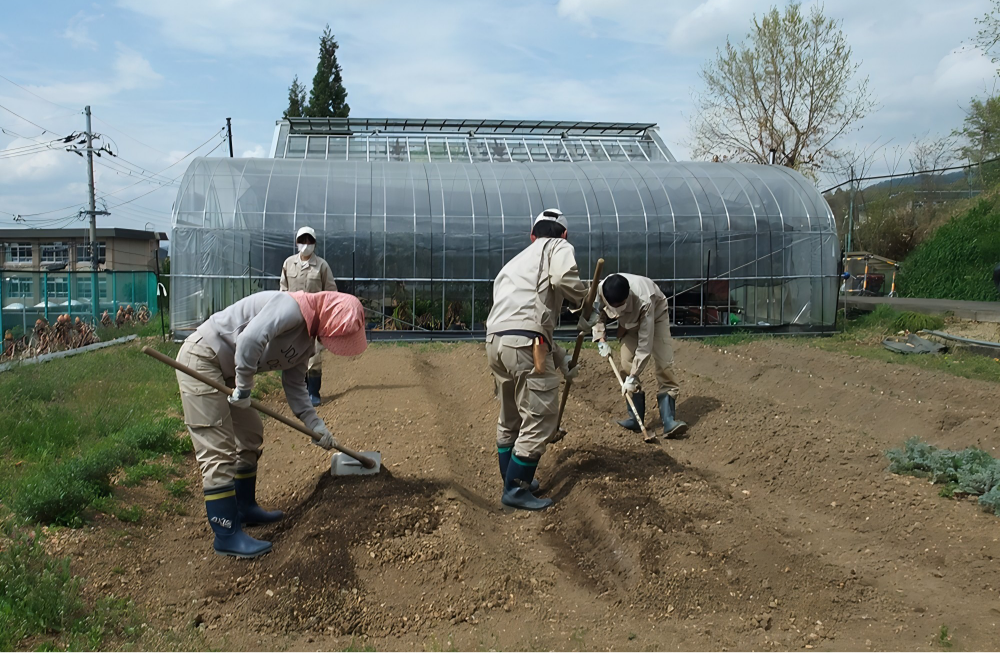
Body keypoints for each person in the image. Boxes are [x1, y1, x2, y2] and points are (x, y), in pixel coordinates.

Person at [175, 290, 367, 558]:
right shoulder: (291, 308)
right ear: (330, 319)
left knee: (251, 433)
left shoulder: (307, 339)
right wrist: (244, 387)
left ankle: (244, 507)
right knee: (218, 448)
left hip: (228, 371)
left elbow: (296, 387)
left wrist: (316, 425)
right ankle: (226, 533)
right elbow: (250, 339)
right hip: (203, 359)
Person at [485, 209, 592, 511]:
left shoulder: (515, 263)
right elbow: (563, 278)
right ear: (565, 234)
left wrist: (562, 358)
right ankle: (516, 490)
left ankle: (511, 478)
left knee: (510, 416)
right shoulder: (557, 247)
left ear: (532, 236)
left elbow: (529, 321)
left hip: (496, 342)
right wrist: (586, 306)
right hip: (525, 343)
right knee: (541, 416)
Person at [593, 273, 686, 438]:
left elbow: (645, 345)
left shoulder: (644, 299)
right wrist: (600, 337)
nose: (617, 308)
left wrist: (633, 376)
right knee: (626, 362)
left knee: (664, 363)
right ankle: (635, 418)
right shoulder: (601, 290)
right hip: (627, 322)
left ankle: (669, 420)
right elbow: (596, 314)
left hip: (655, 317)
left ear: (627, 296)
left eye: (621, 304)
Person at [280, 226, 338, 406]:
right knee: (292, 355)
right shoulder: (288, 263)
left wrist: (326, 316)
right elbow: (283, 290)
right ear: (296, 243)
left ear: (314, 244)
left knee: (314, 357)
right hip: (293, 317)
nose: (305, 245)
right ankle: (299, 392)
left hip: (314, 318)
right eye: (302, 241)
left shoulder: (321, 265)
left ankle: (313, 392)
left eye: (309, 241)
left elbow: (331, 292)